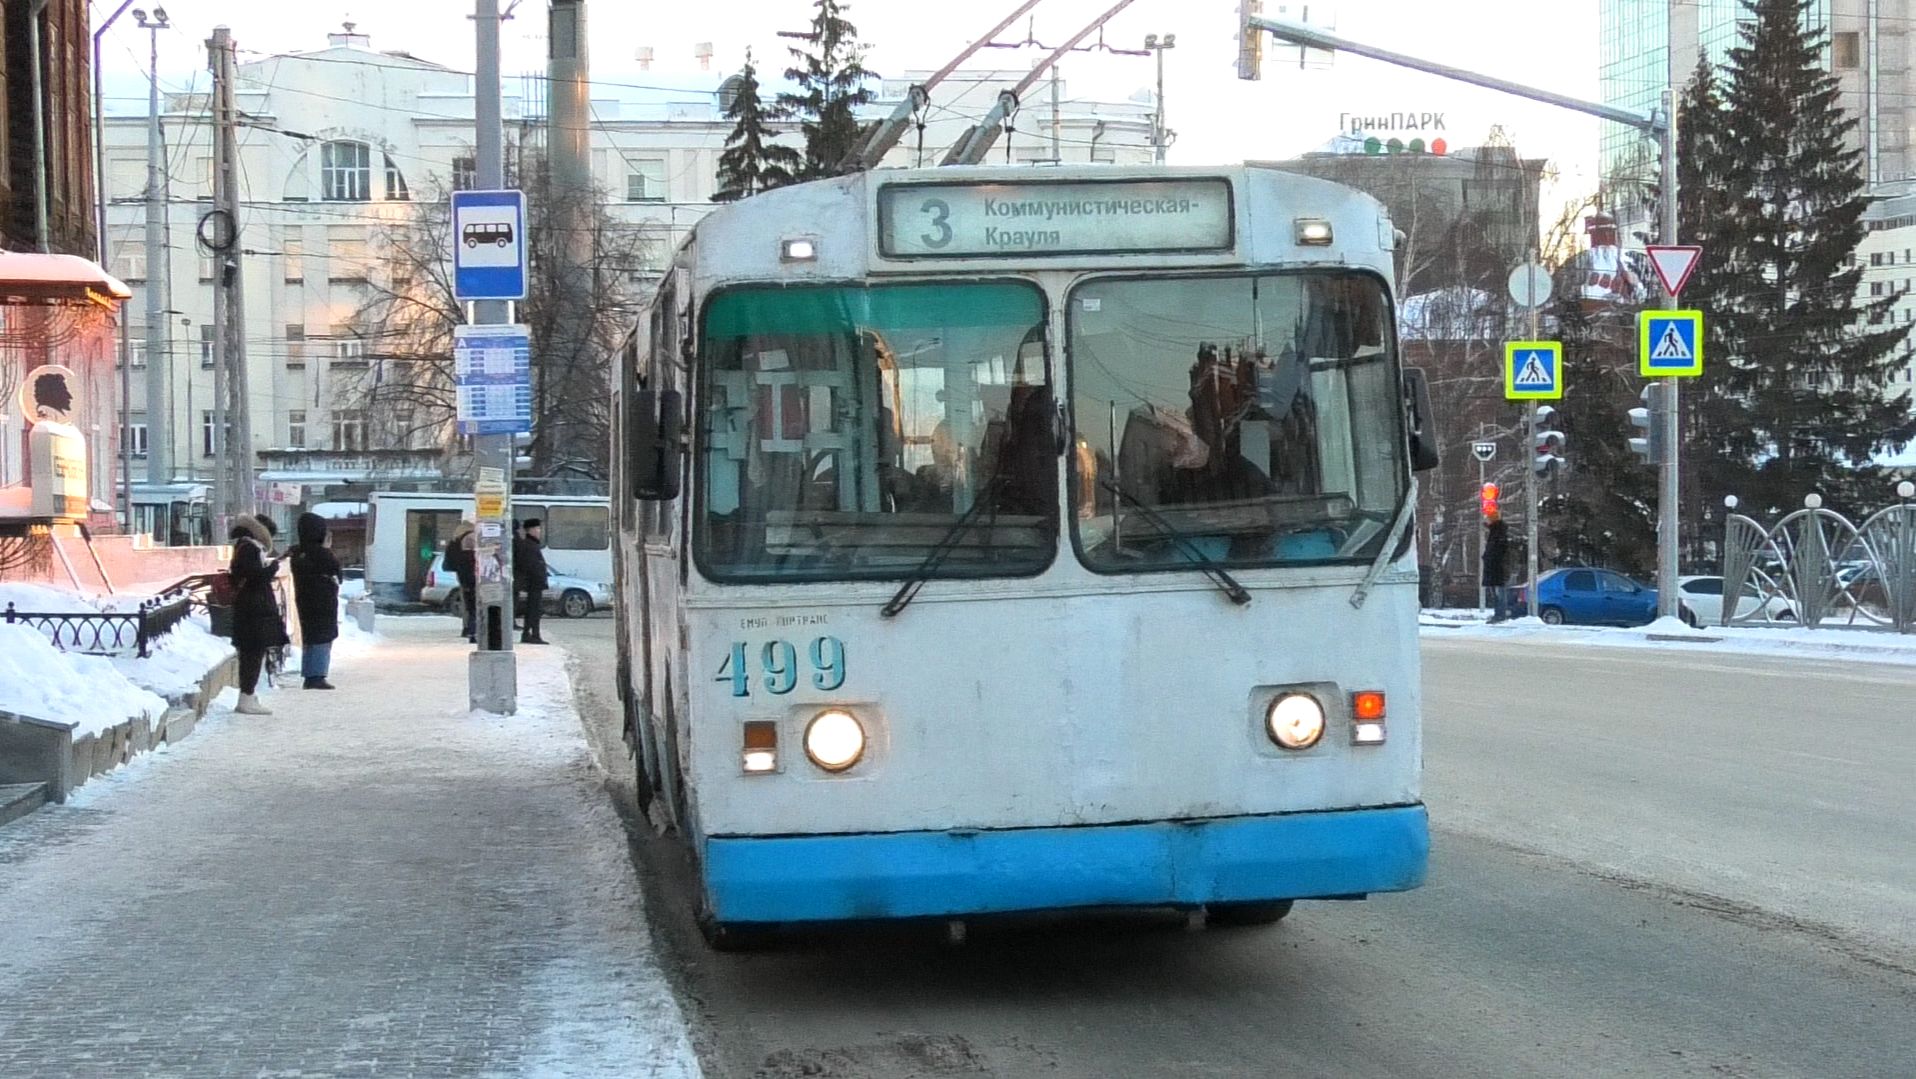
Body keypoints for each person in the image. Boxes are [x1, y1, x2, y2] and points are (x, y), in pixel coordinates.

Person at [228, 516, 290, 714]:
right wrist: (272, 568)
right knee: (252, 654)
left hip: (251, 609)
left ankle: (248, 695)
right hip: (253, 610)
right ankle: (246, 698)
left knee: (253, 653)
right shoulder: (250, 548)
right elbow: (254, 577)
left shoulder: (245, 546)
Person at [288, 511, 343, 690]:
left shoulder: (297, 552)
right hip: (323, 601)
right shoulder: (322, 553)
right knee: (323, 637)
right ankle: (317, 675)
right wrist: (327, 548)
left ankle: (309, 674)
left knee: (309, 637)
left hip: (304, 599)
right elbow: (337, 572)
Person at [514, 518, 550, 645]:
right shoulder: (529, 545)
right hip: (533, 583)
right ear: (531, 530)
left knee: (535, 609)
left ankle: (531, 633)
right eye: (537, 528)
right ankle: (532, 634)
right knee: (533, 610)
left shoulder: (531, 544)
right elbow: (531, 565)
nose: (539, 531)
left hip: (535, 583)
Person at [444, 521, 478, 641]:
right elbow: (471, 558)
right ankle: (473, 630)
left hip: (462, 575)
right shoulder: (470, 538)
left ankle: (467, 628)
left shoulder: (454, 540)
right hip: (471, 575)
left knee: (468, 604)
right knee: (474, 605)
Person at [1483, 507, 1513, 622]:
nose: (1486, 520)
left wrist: (1488, 558)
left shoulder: (1498, 533)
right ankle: (1499, 614)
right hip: (1496, 568)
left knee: (1499, 593)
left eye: (1488, 518)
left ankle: (1500, 615)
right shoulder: (1496, 532)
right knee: (1497, 593)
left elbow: (1499, 551)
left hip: (1497, 568)